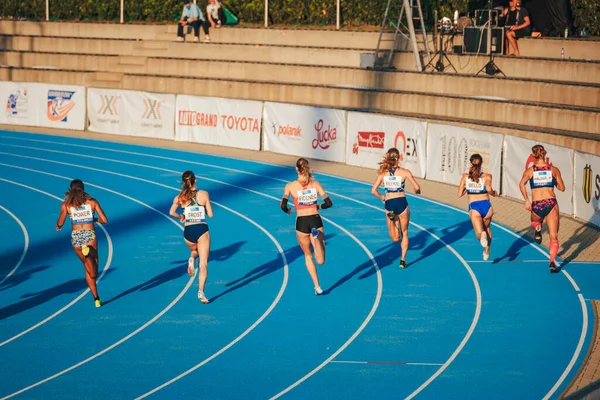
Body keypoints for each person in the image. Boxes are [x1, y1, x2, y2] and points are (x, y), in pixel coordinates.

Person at [280, 158, 333, 295]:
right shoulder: (315, 184)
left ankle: (317, 286)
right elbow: (328, 203)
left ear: (297, 169)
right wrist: (318, 206)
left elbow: (283, 205)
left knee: (308, 255)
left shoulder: (290, 186)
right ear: (308, 168)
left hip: (301, 221)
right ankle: (316, 239)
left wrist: (288, 211)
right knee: (320, 260)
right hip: (315, 219)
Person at [55, 179, 108, 308]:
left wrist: (58, 226)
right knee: (94, 271)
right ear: (83, 189)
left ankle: (96, 298)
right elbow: (104, 220)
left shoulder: (66, 205)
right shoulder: (92, 202)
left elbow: (61, 222)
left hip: (76, 238)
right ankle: (88, 253)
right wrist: (94, 218)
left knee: (86, 267)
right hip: (89, 235)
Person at [371, 147, 421, 269]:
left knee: (395, 239)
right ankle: (403, 260)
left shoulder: (383, 174)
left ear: (387, 158)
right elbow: (417, 188)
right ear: (399, 158)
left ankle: (394, 222)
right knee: (405, 232)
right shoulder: (405, 172)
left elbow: (373, 191)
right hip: (402, 203)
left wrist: (382, 197)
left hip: (389, 204)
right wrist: (417, 190)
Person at [519, 144, 565, 273]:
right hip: (551, 203)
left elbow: (521, 184)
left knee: (534, 221)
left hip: (537, 204)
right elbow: (562, 188)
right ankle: (552, 262)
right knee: (553, 236)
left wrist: (527, 200)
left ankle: (537, 227)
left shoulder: (530, 171)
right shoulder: (553, 170)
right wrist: (553, 180)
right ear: (545, 154)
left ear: (533, 155)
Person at [169, 171, 214, 303]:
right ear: (195, 180)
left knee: (195, 251)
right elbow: (210, 215)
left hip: (188, 232)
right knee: (204, 263)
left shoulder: (180, 197)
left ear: (183, 182)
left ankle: (191, 258)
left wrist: (181, 216)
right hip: (201, 229)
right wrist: (204, 208)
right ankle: (201, 292)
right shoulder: (204, 194)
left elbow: (171, 212)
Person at [457, 154, 499, 261]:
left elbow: (459, 194)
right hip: (487, 207)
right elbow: (489, 189)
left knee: (479, 234)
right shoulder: (487, 176)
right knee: (488, 228)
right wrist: (494, 193)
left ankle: (483, 237)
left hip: (474, 208)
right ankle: (487, 251)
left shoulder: (466, 177)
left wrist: (468, 186)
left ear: (470, 163)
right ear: (482, 164)